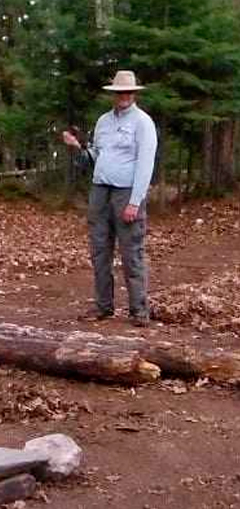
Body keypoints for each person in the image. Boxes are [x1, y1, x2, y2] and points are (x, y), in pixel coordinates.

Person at [62, 70, 157, 327]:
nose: (123, 96)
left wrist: (135, 201)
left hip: (126, 192)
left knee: (131, 253)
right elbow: (95, 157)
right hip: (100, 191)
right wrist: (77, 147)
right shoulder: (103, 121)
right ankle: (103, 306)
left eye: (127, 92)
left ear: (134, 94)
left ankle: (139, 310)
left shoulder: (143, 123)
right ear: (113, 95)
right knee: (99, 250)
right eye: (119, 92)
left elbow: (146, 165)